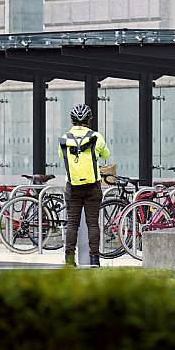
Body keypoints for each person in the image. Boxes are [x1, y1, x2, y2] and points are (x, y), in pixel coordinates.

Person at [58, 104, 110, 267]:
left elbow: (62, 156)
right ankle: (94, 259)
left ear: (72, 120)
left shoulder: (65, 138)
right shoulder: (96, 137)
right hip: (93, 186)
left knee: (72, 223)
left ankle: (69, 260)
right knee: (92, 223)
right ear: (89, 119)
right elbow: (106, 154)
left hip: (72, 186)